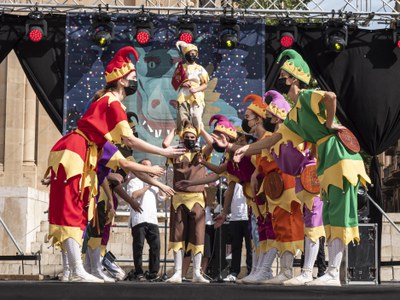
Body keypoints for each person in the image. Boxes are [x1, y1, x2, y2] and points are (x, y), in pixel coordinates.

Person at [45, 46, 184, 283]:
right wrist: (162, 151)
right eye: (131, 79)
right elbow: (128, 140)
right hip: (76, 153)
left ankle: (72, 270)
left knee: (75, 209)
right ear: (120, 81)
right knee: (73, 209)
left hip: (79, 153)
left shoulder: (105, 107)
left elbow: (119, 158)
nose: (134, 83)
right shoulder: (112, 103)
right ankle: (77, 270)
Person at [233, 49, 370, 286]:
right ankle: (327, 273)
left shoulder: (306, 96)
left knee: (336, 213)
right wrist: (246, 149)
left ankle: (332, 274)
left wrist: (329, 124)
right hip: (327, 158)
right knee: (329, 214)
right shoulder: (294, 116)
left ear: (294, 78)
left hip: (338, 153)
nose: (283, 81)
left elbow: (331, 97)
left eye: (285, 77)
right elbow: (273, 140)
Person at [163, 125, 212, 283]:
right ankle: (177, 272)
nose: (190, 140)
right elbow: (165, 145)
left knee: (197, 235)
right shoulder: (176, 153)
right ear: (182, 138)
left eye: (193, 137)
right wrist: (174, 130)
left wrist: (202, 129)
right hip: (179, 200)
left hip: (197, 199)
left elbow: (212, 144)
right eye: (187, 137)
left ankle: (196, 273)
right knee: (178, 235)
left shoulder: (201, 153)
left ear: (196, 139)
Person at [127, 158, 166, 281]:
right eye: (145, 166)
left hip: (152, 219)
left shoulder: (155, 183)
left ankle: (153, 272)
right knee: (138, 246)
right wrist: (148, 184)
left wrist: (157, 183)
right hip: (139, 219)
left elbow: (162, 197)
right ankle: (138, 272)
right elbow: (133, 196)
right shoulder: (134, 181)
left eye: (150, 166)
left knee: (155, 246)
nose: (149, 169)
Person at [174, 41, 209, 132]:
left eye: (194, 53)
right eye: (190, 53)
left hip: (196, 95)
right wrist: (182, 83)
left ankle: (196, 138)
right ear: (186, 55)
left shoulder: (200, 68)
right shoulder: (181, 67)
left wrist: (197, 89)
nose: (192, 55)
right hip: (183, 94)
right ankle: (182, 139)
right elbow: (175, 80)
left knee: (196, 116)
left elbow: (205, 84)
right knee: (183, 116)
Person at [222, 183, 252, 282]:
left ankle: (251, 272)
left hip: (249, 216)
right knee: (235, 246)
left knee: (250, 247)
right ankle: (234, 272)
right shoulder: (232, 179)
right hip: (235, 217)